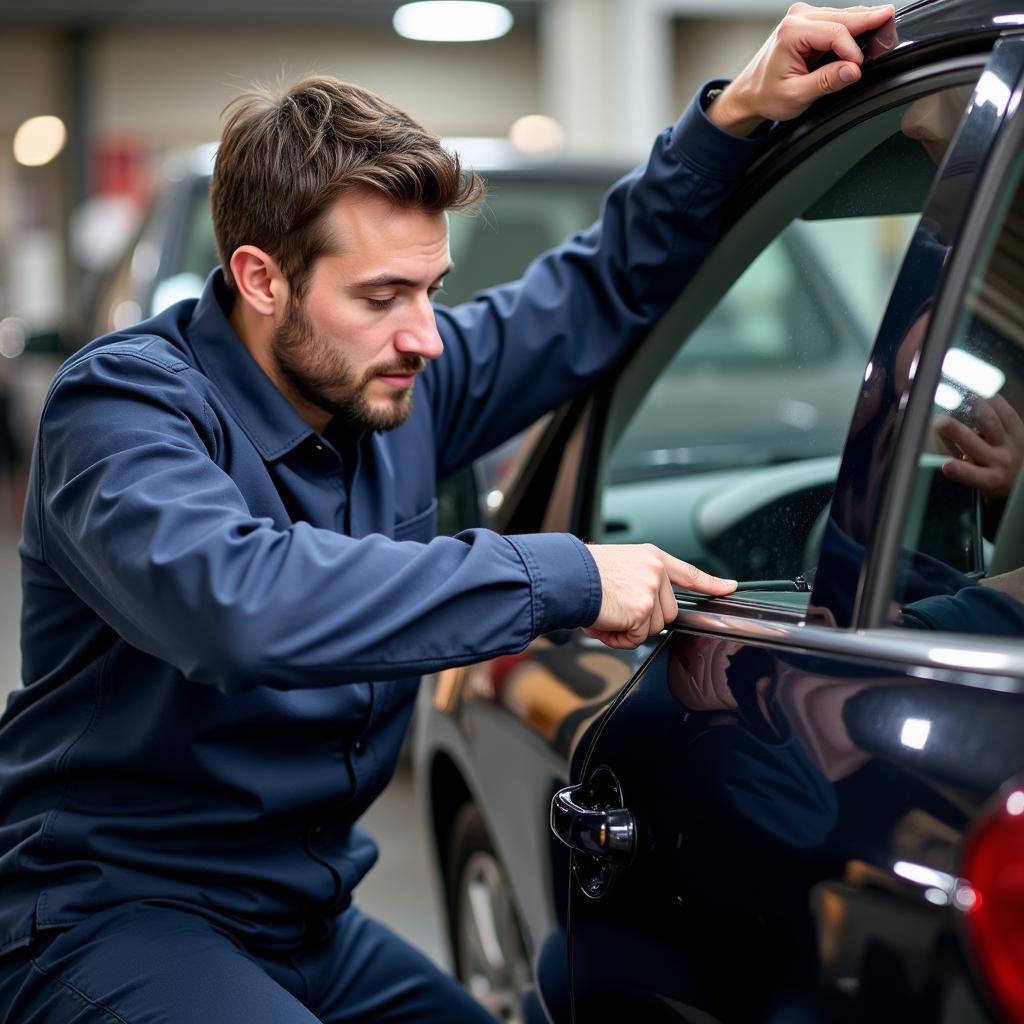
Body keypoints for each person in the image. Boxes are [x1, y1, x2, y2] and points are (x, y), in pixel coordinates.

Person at [0, 5, 896, 1022]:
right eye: (381, 295)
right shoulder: (123, 410)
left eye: (432, 288)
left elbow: (595, 289)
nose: (425, 335)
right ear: (260, 278)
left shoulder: (391, 383)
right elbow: (236, 602)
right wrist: (561, 574)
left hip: (307, 924)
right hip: (113, 915)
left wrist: (733, 117)